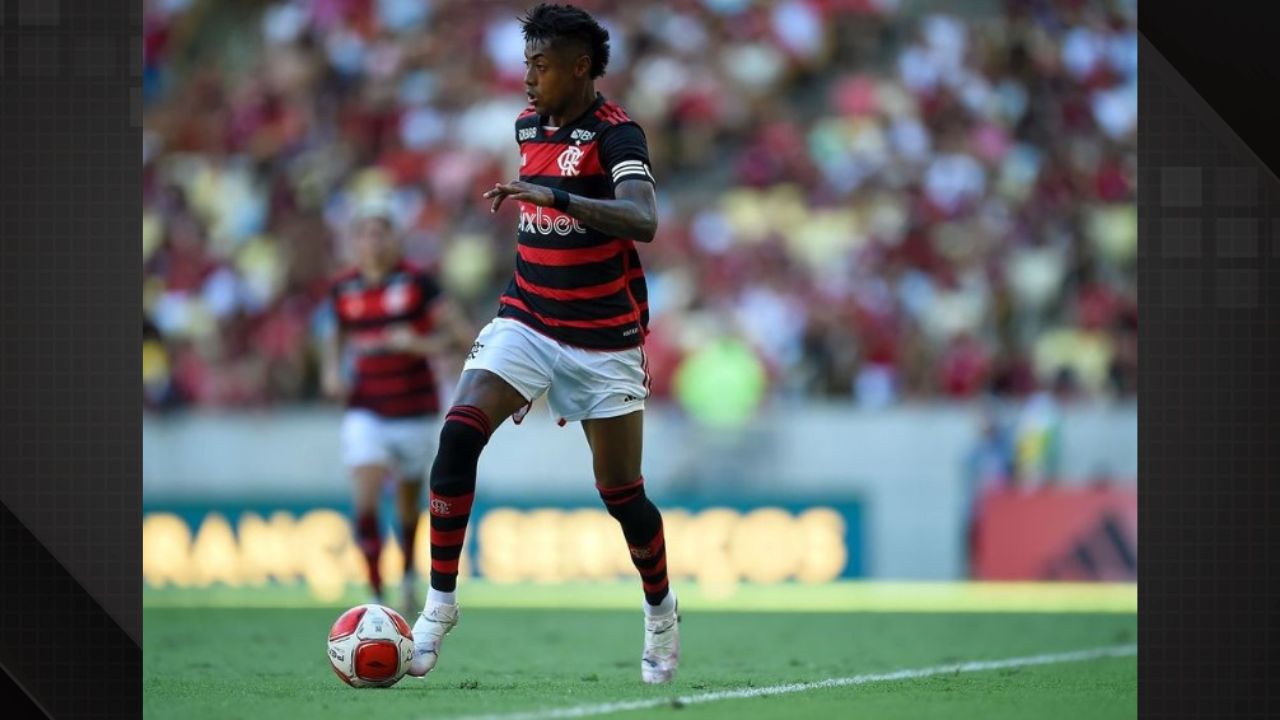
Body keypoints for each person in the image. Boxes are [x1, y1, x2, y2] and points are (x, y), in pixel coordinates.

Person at [409, 3, 680, 685]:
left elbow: (643, 218)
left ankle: (660, 611)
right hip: (527, 319)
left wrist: (556, 198)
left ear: (581, 67)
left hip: (603, 340)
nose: (529, 77)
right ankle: (439, 606)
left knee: (621, 494)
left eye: (542, 64)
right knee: (458, 434)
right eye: (526, 63)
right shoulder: (527, 125)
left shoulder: (617, 134)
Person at [322, 207, 473, 614]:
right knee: (366, 499)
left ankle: (405, 575)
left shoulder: (419, 283)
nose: (373, 242)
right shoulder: (344, 288)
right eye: (365, 235)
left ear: (395, 240)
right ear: (354, 243)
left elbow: (463, 338)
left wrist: (418, 344)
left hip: (415, 409)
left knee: (408, 505)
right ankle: (374, 593)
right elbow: (336, 334)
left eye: (381, 234)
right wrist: (332, 371)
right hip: (366, 408)